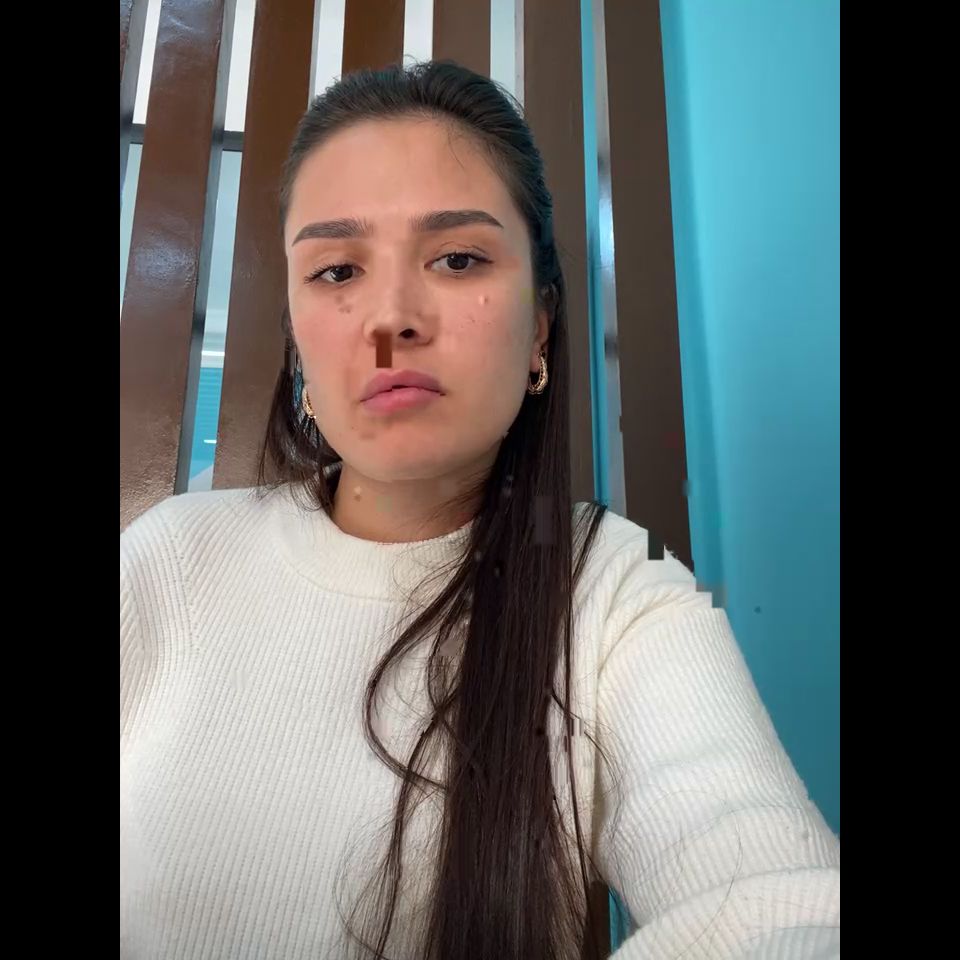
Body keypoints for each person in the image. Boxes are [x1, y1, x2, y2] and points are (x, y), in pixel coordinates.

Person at [120, 60, 839, 960]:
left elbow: (776, 903)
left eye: (458, 259)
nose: (391, 321)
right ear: (299, 343)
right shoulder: (170, 557)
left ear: (538, 328)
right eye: (337, 269)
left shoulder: (618, 589)